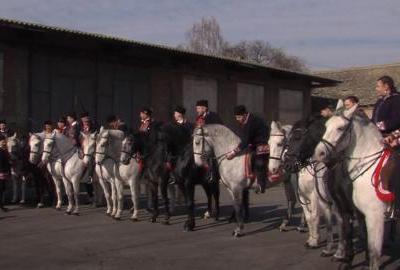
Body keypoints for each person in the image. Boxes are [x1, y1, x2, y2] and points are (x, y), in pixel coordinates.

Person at [372, 76, 400, 219]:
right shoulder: (378, 102)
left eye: (378, 86)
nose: (376, 89)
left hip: (395, 138)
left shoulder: (397, 100)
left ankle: (396, 203)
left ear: (386, 86)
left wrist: (380, 128)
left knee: (392, 168)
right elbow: (373, 121)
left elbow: (397, 120)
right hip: (380, 138)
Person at [226, 105, 269, 193]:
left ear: (245, 115)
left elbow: (245, 140)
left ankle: (261, 184)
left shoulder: (251, 121)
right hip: (253, 144)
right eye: (236, 117)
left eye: (239, 117)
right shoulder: (246, 120)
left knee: (259, 162)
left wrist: (233, 152)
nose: (238, 119)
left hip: (261, 143)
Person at [0, 134, 11, 212]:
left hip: (4, 172)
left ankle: (1, 205)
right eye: (2, 142)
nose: (3, 143)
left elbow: (7, 162)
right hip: (1, 172)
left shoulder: (4, 150)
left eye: (4, 142)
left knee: (2, 189)